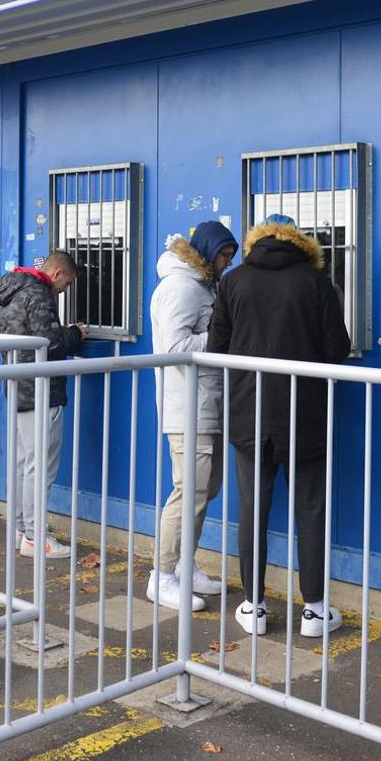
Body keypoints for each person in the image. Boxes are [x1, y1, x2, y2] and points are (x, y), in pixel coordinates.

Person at [207, 214, 349, 639]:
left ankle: (254, 605)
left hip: (248, 414)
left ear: (256, 240)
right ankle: (315, 610)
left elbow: (217, 348)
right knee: (310, 508)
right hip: (304, 413)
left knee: (253, 508)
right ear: (299, 240)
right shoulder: (315, 282)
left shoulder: (234, 281)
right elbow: (336, 349)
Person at [147, 221, 237, 612]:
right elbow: (175, 345)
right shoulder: (181, 287)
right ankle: (162, 575)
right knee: (188, 494)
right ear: (206, 251)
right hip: (188, 409)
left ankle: (184, 563)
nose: (226, 264)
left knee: (204, 491)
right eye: (223, 256)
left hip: (206, 405)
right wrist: (222, 336)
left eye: (231, 258)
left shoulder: (201, 285)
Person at [0, 250, 87, 560]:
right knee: (40, 467)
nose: (65, 290)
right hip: (42, 391)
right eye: (68, 283)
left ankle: (22, 529)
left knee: (23, 465)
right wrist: (76, 333)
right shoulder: (41, 294)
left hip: (18, 387)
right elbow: (52, 343)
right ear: (57, 274)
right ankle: (35, 537)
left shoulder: (13, 292)